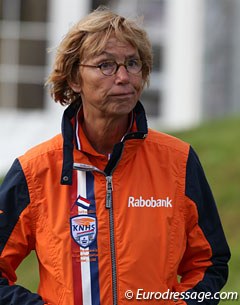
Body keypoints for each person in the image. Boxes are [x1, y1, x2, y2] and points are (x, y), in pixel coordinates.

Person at [0, 6, 230, 305]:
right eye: (106, 65)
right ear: (74, 78)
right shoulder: (35, 170)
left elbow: (210, 263)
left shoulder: (178, 161)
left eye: (132, 63)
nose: (123, 77)